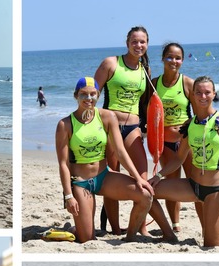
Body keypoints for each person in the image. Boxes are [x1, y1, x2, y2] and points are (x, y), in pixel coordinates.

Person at [56, 76, 176, 243]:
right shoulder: (65, 124)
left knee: (145, 194)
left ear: (98, 95)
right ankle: (74, 228)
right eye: (83, 94)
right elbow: (63, 163)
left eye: (93, 94)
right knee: (87, 239)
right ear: (76, 96)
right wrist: (69, 195)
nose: (89, 99)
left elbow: (120, 152)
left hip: (104, 177)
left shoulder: (107, 117)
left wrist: (137, 178)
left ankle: (131, 236)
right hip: (81, 182)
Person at [149, 76, 219, 247]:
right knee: (146, 191)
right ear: (193, 95)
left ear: (214, 94)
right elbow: (178, 159)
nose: (203, 96)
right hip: (191, 186)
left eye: (207, 93)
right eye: (198, 93)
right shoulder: (190, 125)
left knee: (212, 244)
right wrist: (158, 176)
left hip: (215, 191)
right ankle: (169, 234)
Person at [94, 26, 171, 238]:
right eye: (135, 41)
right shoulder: (111, 63)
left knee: (143, 179)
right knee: (112, 177)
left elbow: (146, 102)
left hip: (133, 128)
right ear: (127, 43)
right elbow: (92, 95)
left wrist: (149, 128)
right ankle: (116, 228)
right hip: (110, 128)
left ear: (147, 45)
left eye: (143, 42)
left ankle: (141, 228)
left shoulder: (144, 71)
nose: (139, 45)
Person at [151, 43, 195, 232]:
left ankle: (205, 225)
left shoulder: (187, 83)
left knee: (196, 186)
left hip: (186, 142)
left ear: (182, 61)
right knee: (171, 186)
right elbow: (147, 114)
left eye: (178, 58)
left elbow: (200, 112)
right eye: (170, 57)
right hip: (165, 144)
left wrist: (190, 125)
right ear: (163, 58)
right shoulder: (154, 83)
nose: (173, 61)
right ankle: (175, 225)